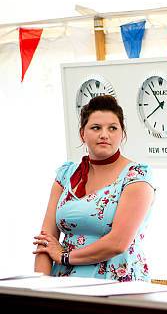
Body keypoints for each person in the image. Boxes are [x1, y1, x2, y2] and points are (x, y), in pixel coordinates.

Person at [32, 95, 155, 281]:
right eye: (96, 128)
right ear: (82, 133)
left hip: (116, 286)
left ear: (123, 134)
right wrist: (39, 288)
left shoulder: (136, 176)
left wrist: (65, 257)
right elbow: (46, 240)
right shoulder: (65, 174)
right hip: (62, 285)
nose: (104, 134)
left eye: (112, 128)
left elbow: (118, 243)